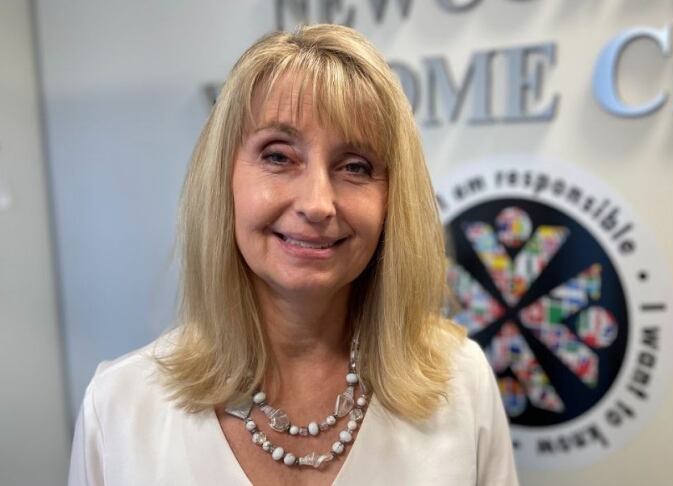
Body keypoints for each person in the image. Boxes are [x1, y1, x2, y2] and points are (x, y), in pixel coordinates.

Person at [68, 24, 519, 486]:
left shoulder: (462, 382)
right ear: (225, 180)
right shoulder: (117, 409)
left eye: (355, 167)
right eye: (279, 157)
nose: (318, 203)